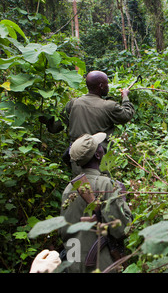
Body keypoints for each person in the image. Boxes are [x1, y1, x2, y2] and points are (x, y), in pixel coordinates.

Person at [59, 132, 133, 273]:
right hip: (101, 265)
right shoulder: (105, 185)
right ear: (98, 155)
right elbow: (121, 229)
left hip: (74, 263)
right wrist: (123, 202)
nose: (102, 147)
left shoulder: (68, 189)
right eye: (99, 146)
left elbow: (64, 231)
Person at [40, 70, 135, 174]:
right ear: (101, 86)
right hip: (99, 158)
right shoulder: (108, 106)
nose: (108, 86)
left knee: (80, 187)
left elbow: (55, 128)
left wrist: (45, 119)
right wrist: (125, 97)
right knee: (101, 187)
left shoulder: (73, 104)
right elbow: (127, 114)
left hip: (78, 158)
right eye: (107, 84)